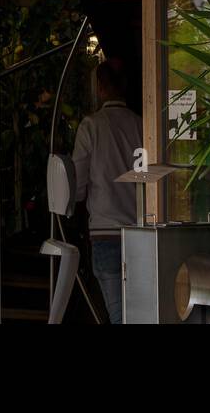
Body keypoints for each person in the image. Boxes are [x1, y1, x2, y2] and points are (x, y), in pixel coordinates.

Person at [72, 60, 142, 324]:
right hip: (140, 233)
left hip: (105, 233)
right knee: (140, 313)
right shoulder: (141, 125)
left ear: (100, 87)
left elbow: (76, 187)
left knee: (118, 315)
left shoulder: (91, 126)